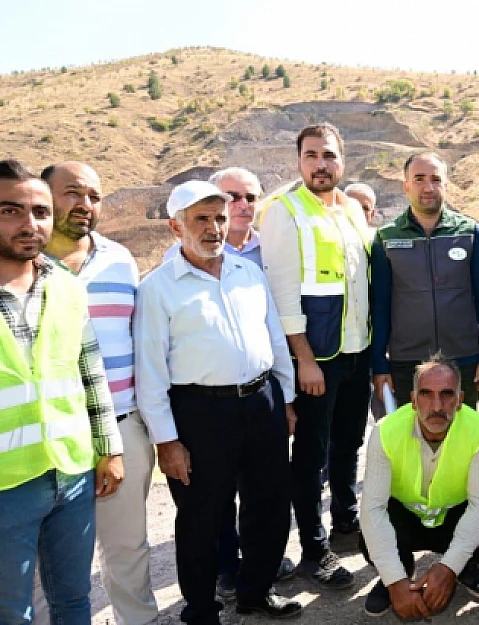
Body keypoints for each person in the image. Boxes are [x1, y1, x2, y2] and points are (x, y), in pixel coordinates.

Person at [135, 181, 301, 623]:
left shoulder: (249, 273)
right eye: (201, 220)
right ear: (176, 227)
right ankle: (201, 608)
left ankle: (255, 592)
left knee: (268, 503)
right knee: (202, 516)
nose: (214, 229)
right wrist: (167, 441)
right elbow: (149, 371)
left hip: (261, 401)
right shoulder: (157, 289)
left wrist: (285, 398)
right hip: (199, 412)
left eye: (220, 218)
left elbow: (274, 340)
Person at [0, 160, 124, 625]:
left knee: (74, 600)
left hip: (71, 474)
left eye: (39, 211)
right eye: (10, 210)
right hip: (6, 483)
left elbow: (90, 374)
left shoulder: (66, 287)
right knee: (13, 611)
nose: (29, 224)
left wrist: (109, 448)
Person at [257, 122, 373, 581]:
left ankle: (345, 520)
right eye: (311, 156)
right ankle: (314, 547)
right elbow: (283, 291)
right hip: (318, 357)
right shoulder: (285, 212)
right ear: (299, 161)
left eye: (328, 155)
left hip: (356, 352)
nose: (320, 165)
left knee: (348, 443)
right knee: (310, 453)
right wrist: (303, 358)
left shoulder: (351, 211)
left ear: (342, 161)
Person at [40, 162, 155, 623]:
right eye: (72, 193)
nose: (84, 204)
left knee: (127, 546)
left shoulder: (120, 259)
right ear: (44, 198)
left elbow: (139, 341)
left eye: (93, 195)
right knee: (43, 554)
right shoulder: (17, 263)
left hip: (123, 426)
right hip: (46, 434)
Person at [359, 356, 479, 618]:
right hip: (407, 519)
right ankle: (399, 571)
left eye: (447, 395)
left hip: (453, 516)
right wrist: (395, 582)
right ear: (413, 399)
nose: (437, 406)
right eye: (426, 394)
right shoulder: (385, 431)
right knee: (370, 529)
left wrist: (447, 568)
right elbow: (373, 508)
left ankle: (462, 567)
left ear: (460, 400)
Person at [370, 152, 479, 409]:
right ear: (406, 186)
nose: (428, 187)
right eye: (419, 179)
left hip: (463, 360)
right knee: (410, 441)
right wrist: (380, 363)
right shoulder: (387, 238)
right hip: (407, 363)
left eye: (436, 179)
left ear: (446, 186)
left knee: (460, 440)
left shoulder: (470, 233)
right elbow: (379, 305)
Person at [164, 168, 263, 266]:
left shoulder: (271, 248)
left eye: (250, 198)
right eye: (233, 197)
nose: (244, 205)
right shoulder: (180, 256)